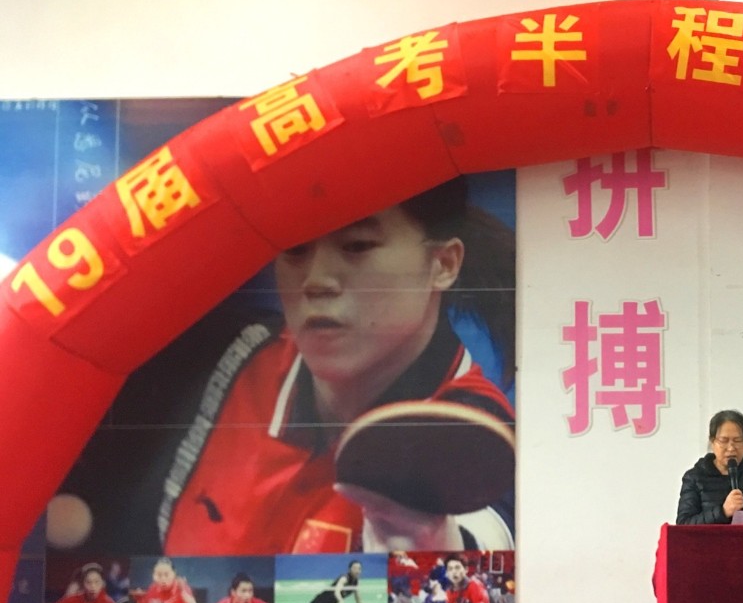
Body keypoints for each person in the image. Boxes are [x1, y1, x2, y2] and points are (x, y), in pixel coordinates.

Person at [158, 176, 516, 557]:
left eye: (357, 245)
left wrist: (441, 544)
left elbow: (486, 532)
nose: (316, 281)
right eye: (295, 249)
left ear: (444, 264)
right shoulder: (228, 356)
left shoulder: (478, 425)